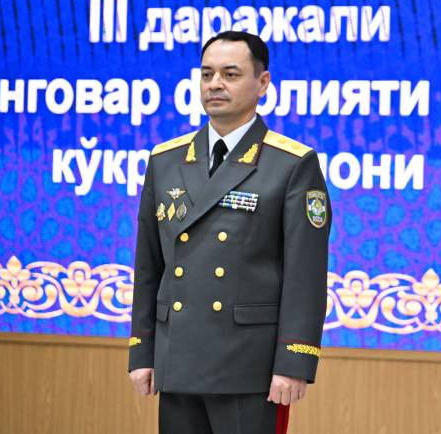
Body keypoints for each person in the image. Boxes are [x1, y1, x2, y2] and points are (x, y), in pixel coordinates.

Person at [128, 31, 331, 434]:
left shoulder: (291, 164)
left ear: (262, 83)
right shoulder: (166, 160)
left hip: (249, 367)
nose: (215, 84)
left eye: (230, 74)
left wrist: (293, 362)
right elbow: (149, 265)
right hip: (178, 358)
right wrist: (142, 350)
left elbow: (305, 276)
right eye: (207, 74)